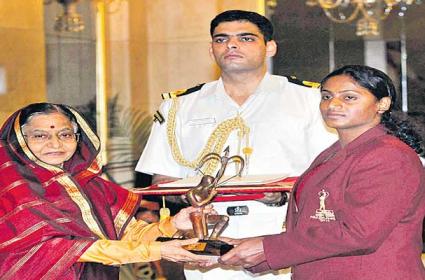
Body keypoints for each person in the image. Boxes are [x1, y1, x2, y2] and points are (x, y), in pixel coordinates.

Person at [136, 10, 336, 279]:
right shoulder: (178, 106)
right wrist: (193, 200)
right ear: (211, 49)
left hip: (283, 235)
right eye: (221, 39)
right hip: (206, 238)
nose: (231, 45)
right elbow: (163, 178)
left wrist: (284, 196)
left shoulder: (311, 100)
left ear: (270, 47)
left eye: (246, 38)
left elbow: (331, 175)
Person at [218, 65, 425, 279]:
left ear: (382, 104)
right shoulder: (335, 152)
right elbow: (317, 226)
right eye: (326, 96)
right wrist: (246, 250)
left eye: (349, 97)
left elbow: (359, 234)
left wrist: (267, 248)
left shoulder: (388, 156)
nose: (333, 104)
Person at [0, 103, 215, 280]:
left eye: (65, 134)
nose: (55, 143)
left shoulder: (90, 185)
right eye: (40, 136)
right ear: (18, 141)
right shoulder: (13, 190)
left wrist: (172, 225)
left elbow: (128, 234)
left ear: (77, 137)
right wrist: (158, 251)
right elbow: (66, 249)